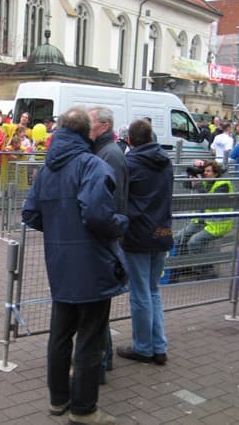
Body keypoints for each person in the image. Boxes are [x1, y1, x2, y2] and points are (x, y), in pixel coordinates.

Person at [22, 107, 128, 425]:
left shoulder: (47, 169)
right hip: (92, 262)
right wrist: (120, 222)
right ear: (88, 132)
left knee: (60, 333)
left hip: (59, 262)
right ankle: (83, 409)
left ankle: (58, 400)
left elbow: (31, 214)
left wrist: (59, 229)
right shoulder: (91, 164)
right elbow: (97, 214)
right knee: (90, 338)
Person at [116, 119, 173, 366]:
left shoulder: (131, 163)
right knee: (152, 291)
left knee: (140, 293)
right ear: (151, 137)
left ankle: (144, 347)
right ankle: (158, 346)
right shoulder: (166, 161)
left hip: (138, 234)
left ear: (130, 140)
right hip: (162, 231)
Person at [89, 106, 129, 383]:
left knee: (96, 304)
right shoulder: (105, 151)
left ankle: (101, 361)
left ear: (103, 125)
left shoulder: (110, 155)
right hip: (104, 235)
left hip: (104, 238)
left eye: (89, 123)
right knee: (96, 304)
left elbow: (109, 202)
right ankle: (105, 357)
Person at [172, 159, 234, 281]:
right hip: (202, 221)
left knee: (194, 242)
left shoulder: (223, 184)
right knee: (179, 238)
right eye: (204, 170)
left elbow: (211, 202)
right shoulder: (205, 181)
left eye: (208, 171)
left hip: (218, 223)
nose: (205, 173)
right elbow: (185, 185)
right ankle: (185, 267)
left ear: (216, 173)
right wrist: (192, 174)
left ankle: (207, 270)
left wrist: (199, 184)